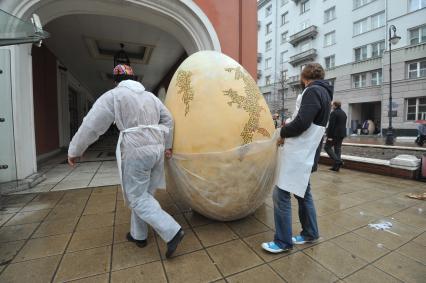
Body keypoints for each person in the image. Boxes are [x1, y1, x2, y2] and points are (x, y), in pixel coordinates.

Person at [67, 64, 184, 258]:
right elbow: (168, 120)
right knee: (144, 194)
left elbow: (92, 125)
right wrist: (167, 145)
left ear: (115, 80)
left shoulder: (115, 95)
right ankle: (139, 235)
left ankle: (172, 231)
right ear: (135, 79)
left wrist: (75, 149)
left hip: (136, 149)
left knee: (136, 197)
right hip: (156, 149)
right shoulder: (151, 97)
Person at [262, 63, 332, 253]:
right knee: (303, 193)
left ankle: (283, 242)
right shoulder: (325, 93)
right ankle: (310, 233)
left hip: (298, 153)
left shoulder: (312, 91)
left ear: (304, 78)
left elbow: (302, 122)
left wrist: (282, 131)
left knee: (281, 194)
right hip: (307, 153)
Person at [324, 100, 347, 171]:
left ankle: (338, 161)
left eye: (332, 105)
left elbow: (331, 125)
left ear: (335, 105)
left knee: (327, 147)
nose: (331, 106)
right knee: (337, 149)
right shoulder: (344, 113)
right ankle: (336, 167)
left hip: (334, 134)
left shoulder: (334, 113)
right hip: (342, 134)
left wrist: (329, 135)